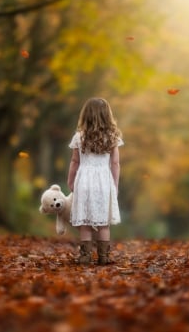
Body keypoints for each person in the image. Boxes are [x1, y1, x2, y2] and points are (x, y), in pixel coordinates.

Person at [67, 97, 123, 265]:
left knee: (85, 221)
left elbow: (75, 161)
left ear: (86, 116)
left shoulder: (79, 137)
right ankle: (104, 257)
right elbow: (115, 163)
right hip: (104, 181)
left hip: (84, 180)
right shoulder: (112, 137)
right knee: (103, 223)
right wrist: (115, 184)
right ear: (107, 116)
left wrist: (70, 181)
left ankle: (84, 256)